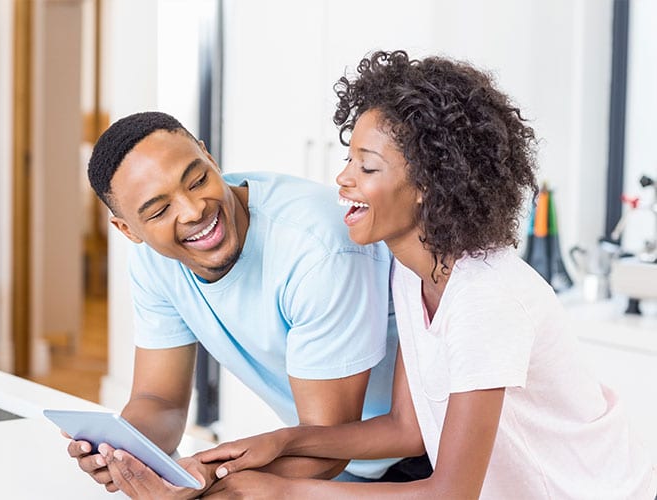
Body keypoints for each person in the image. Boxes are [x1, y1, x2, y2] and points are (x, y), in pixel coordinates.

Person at [191, 50, 657, 499]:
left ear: (429, 185)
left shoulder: (484, 299)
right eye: (349, 159)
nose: (344, 179)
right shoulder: (413, 273)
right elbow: (406, 430)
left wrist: (286, 492)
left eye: (367, 166)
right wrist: (284, 441)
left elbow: (451, 493)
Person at [68, 110, 431, 497]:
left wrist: (207, 478)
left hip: (414, 459)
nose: (193, 211)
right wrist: (126, 453)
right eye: (159, 211)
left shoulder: (317, 249)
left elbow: (329, 443)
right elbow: (159, 400)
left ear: (210, 157)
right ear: (128, 230)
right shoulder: (153, 263)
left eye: (197, 180)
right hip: (321, 462)